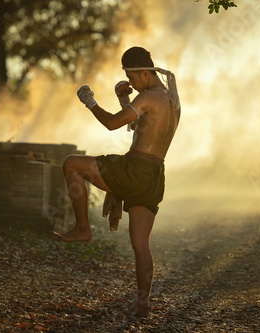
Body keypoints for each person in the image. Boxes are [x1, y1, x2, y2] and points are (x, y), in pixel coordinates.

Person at [53, 46, 181, 318]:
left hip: (135, 169)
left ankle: (83, 228)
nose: (131, 84)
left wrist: (89, 101)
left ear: (145, 73)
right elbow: (142, 128)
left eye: (132, 78)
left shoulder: (148, 96)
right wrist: (125, 100)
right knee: (141, 244)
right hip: (155, 178)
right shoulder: (171, 99)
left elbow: (112, 124)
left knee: (71, 164)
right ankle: (143, 305)